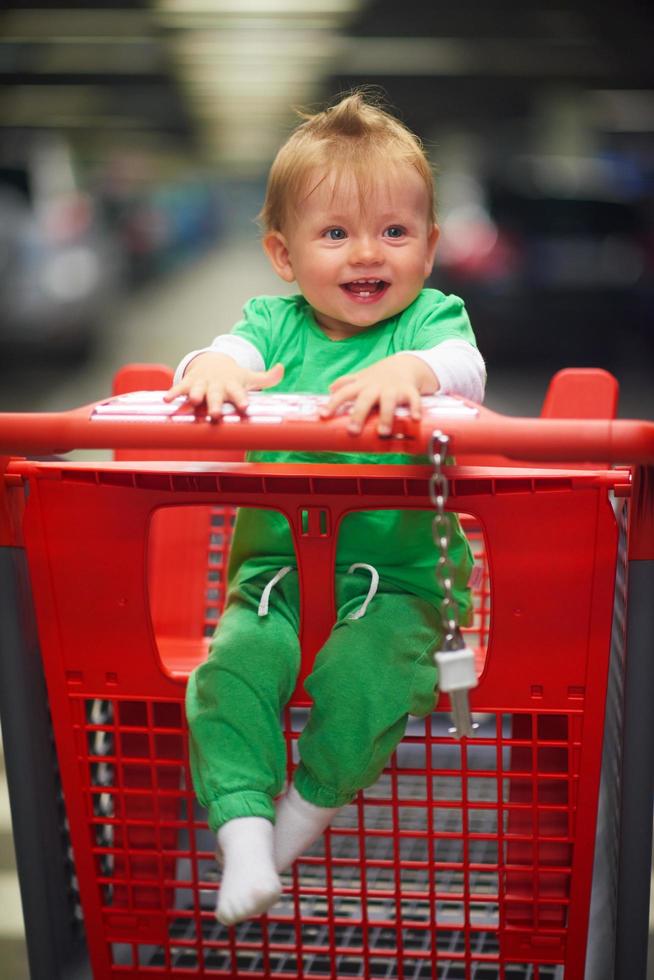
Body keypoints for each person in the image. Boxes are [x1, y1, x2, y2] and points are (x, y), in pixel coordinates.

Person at [164, 91, 486, 926]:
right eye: (335, 233)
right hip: (274, 576)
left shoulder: (430, 321)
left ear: (430, 247)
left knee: (362, 680)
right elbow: (223, 352)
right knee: (229, 673)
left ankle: (294, 823)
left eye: (393, 231)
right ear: (282, 253)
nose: (365, 254)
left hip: (401, 583)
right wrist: (211, 369)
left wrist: (413, 372)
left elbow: (464, 368)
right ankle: (239, 833)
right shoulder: (272, 324)